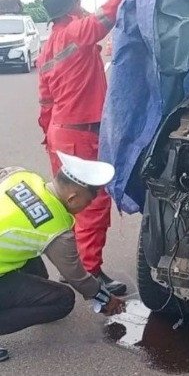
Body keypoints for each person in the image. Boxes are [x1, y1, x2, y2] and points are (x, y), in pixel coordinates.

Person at [36, 0, 159, 295]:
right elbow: (108, 14)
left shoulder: (48, 47)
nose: (82, 8)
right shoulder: (76, 32)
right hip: (80, 134)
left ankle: (71, 265)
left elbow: (45, 100)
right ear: (71, 9)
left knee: (66, 201)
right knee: (92, 202)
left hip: (60, 133)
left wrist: (48, 133)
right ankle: (88, 271)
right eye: (78, 4)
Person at [0, 151, 126, 362]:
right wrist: (105, 299)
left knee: (36, 269)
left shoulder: (21, 175)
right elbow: (77, 277)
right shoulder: (57, 230)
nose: (87, 207)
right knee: (62, 299)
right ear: (72, 197)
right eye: (87, 202)